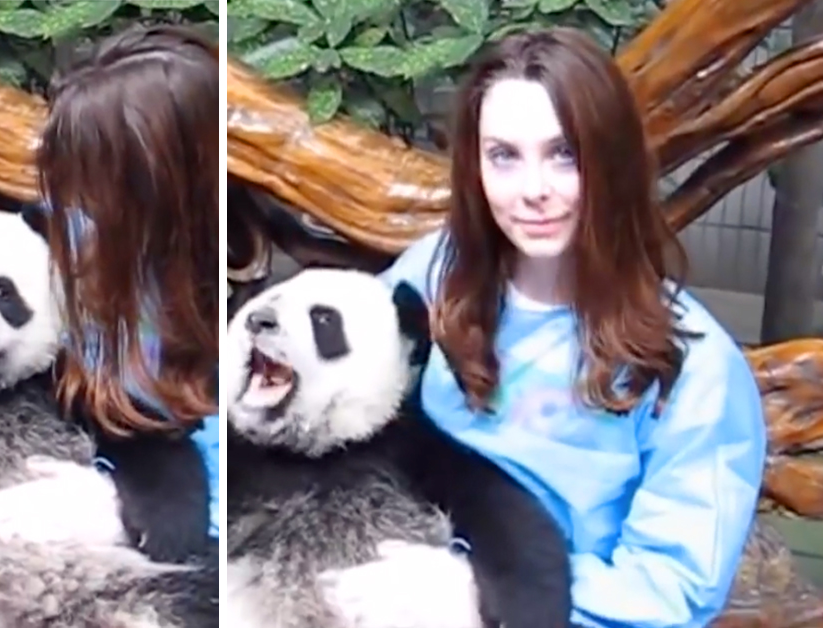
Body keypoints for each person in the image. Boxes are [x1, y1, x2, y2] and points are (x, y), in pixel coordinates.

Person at [321, 27, 766, 628]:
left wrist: (477, 590)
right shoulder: (432, 275)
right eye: (504, 155)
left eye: (564, 154)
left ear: (612, 161)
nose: (534, 191)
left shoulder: (694, 366)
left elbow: (671, 589)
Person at [0, 24, 219, 554]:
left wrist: (119, 510)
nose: (70, 205)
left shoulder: (225, 307)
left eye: (89, 183)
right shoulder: (54, 239)